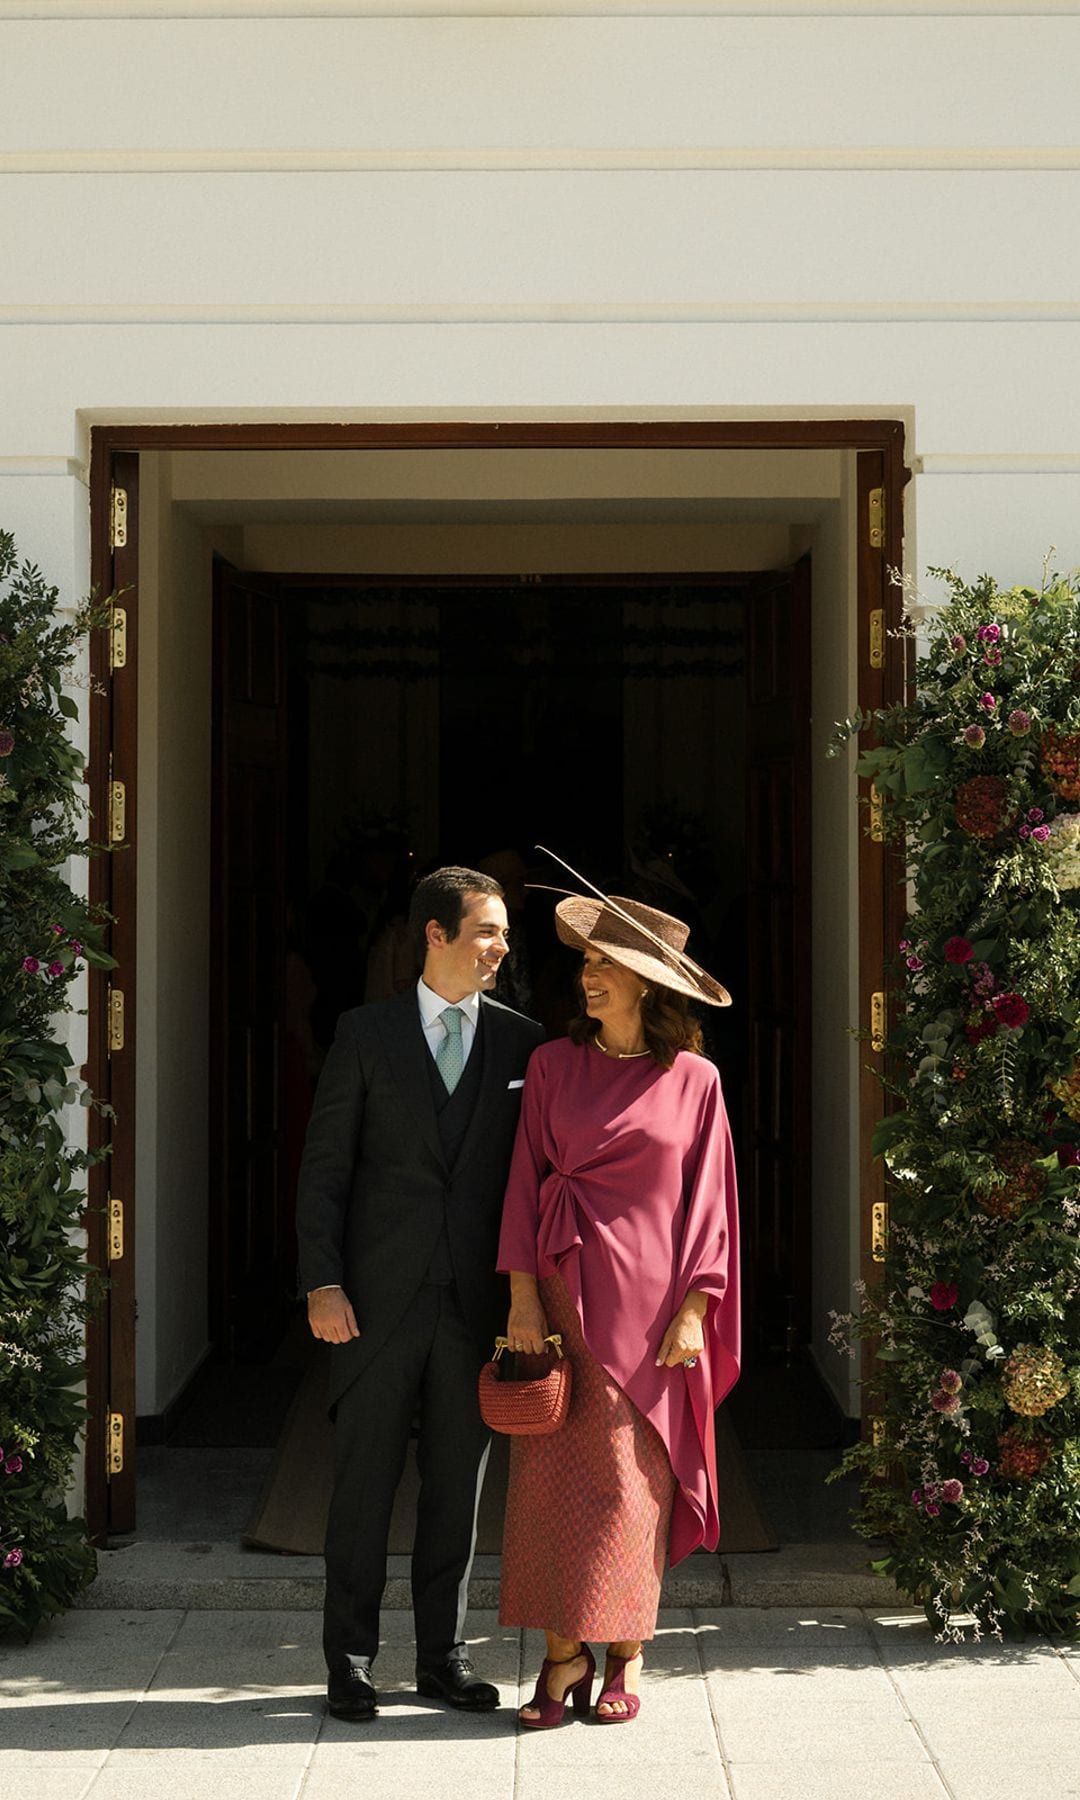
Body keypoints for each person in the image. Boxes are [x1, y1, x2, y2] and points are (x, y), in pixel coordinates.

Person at [296, 866, 544, 1721]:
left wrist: (530, 1299)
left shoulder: (525, 1044)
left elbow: (536, 1179)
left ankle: (444, 1658)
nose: (501, 946)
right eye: (486, 930)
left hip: (474, 1306)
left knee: (457, 1491)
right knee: (362, 1489)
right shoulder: (363, 1034)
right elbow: (325, 1172)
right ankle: (350, 1662)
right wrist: (322, 1283)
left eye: (504, 932)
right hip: (372, 1299)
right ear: (433, 936)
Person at [496, 889, 739, 1728]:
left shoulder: (695, 1080)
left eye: (605, 965)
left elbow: (710, 1203)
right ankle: (561, 1659)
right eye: (587, 964)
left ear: (646, 983)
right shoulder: (555, 1065)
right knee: (552, 1487)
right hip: (562, 1306)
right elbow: (524, 1184)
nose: (588, 977)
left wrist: (696, 1312)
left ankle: (626, 1654)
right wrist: (524, 1296)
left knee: (632, 1493)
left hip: (654, 1315)